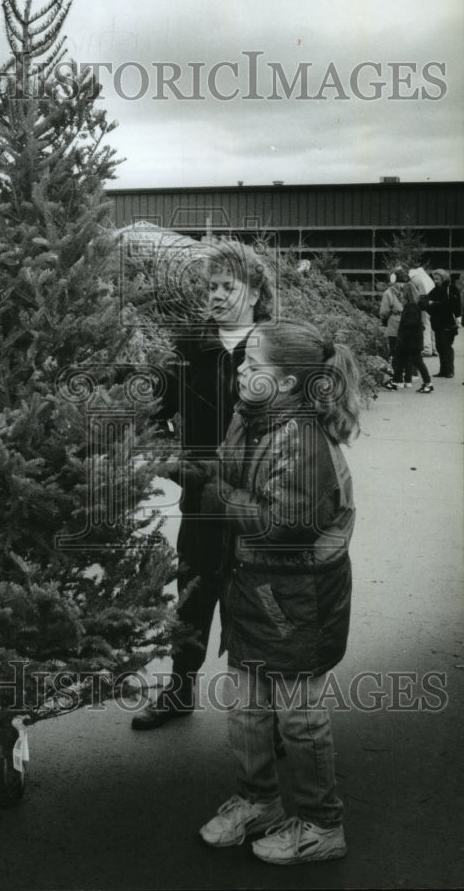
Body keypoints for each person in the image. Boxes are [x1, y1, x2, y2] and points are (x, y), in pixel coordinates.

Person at [198, 318, 360, 864]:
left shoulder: (303, 440)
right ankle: (258, 800)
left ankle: (322, 823)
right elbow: (227, 470)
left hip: (298, 603)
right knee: (246, 706)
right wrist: (187, 467)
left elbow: (285, 524)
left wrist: (217, 496)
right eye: (243, 359)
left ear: (288, 383)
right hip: (254, 589)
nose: (241, 369)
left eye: (254, 364)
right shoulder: (253, 418)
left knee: (298, 715)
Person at [132, 238, 276, 730]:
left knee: (259, 602)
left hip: (259, 507)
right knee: (193, 594)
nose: (215, 295)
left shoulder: (275, 351)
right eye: (211, 286)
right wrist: (171, 462)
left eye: (228, 287)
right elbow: (150, 412)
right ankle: (179, 691)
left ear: (255, 293)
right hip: (200, 503)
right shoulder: (189, 349)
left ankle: (266, 711)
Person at [383, 282, 434, 394]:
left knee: (416, 361)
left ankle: (428, 383)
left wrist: (402, 339)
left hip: (409, 342)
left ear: (406, 294)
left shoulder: (410, 307)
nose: (400, 295)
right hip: (413, 341)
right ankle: (396, 382)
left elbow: (409, 326)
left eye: (402, 293)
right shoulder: (415, 306)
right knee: (402, 360)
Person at [421, 269, 461, 378]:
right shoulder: (435, 290)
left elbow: (452, 306)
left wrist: (434, 304)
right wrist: (433, 305)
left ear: (443, 278)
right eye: (434, 279)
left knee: (446, 346)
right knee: (440, 347)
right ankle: (443, 370)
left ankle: (449, 371)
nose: (435, 281)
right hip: (438, 324)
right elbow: (425, 303)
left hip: (448, 324)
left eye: (437, 279)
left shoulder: (451, 289)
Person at [379, 267, 408, 381]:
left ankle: (396, 376)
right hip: (407, 323)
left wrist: (384, 318)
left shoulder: (389, 292)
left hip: (394, 324)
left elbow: (384, 312)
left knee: (394, 350)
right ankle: (408, 374)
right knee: (405, 350)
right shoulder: (408, 289)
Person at [408, 262, 436, 357]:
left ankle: (427, 349)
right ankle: (434, 349)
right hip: (433, 304)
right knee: (432, 326)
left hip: (425, 306)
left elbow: (419, 295)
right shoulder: (427, 278)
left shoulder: (416, 279)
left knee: (426, 326)